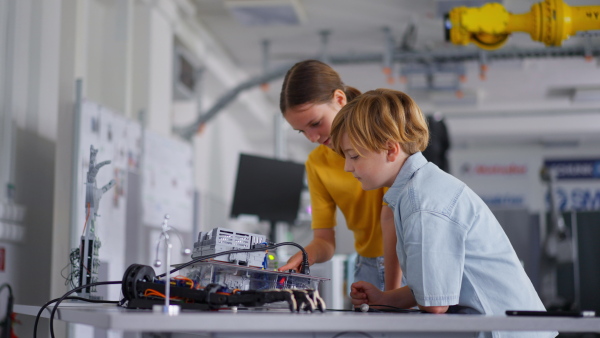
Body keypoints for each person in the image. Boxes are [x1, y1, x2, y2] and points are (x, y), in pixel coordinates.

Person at [330, 88, 556, 338]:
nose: (347, 167)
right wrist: (384, 298)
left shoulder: (422, 203)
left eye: (353, 156)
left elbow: (434, 304)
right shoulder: (417, 191)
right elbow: (431, 289)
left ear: (391, 150)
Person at [277, 60, 402, 291]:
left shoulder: (383, 137)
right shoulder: (317, 163)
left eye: (315, 123)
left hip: (406, 261)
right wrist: (306, 256)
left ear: (340, 99)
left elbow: (394, 220)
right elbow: (324, 239)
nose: (312, 138)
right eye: (302, 131)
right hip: (366, 265)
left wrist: (393, 294)